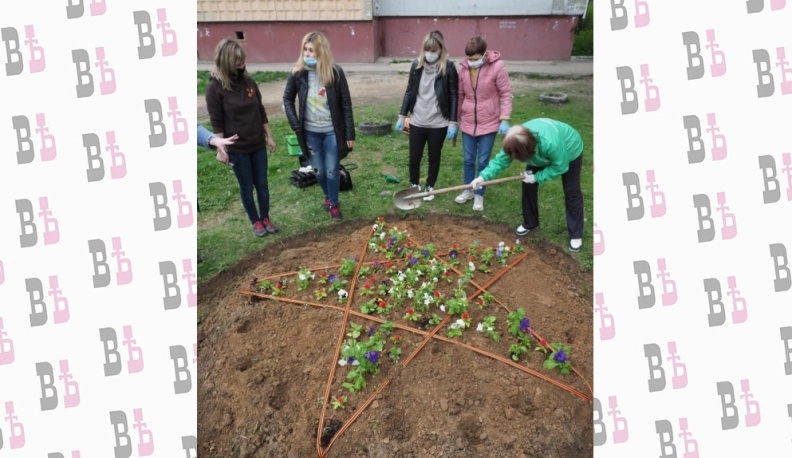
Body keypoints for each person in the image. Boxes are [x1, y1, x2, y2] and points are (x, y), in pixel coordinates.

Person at [471, 118, 585, 252]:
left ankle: (576, 234)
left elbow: (560, 166)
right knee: (528, 184)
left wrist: (537, 177)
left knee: (572, 190)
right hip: (538, 150)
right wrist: (482, 177)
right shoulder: (514, 141)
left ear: (527, 150)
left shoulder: (550, 143)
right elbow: (500, 161)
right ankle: (531, 223)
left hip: (569, 149)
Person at [205, 38, 279, 237]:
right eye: (237, 60)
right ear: (227, 61)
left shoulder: (249, 82)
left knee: (262, 184)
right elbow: (217, 121)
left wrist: (269, 137)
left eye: (243, 59)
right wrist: (221, 149)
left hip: (257, 144)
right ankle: (255, 221)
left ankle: (265, 217)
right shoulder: (215, 87)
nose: (242, 63)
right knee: (246, 186)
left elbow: (261, 110)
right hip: (238, 149)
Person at [283, 31, 355, 222]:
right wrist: (295, 124)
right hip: (310, 133)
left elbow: (346, 104)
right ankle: (328, 195)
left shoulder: (335, 73)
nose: (308, 54)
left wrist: (349, 133)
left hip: (332, 132)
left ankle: (333, 202)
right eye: (305, 50)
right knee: (319, 171)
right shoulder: (297, 74)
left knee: (331, 170)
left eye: (312, 51)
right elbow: (287, 99)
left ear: (321, 52)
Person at [396, 30, 458, 201]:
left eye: (434, 50)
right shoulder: (416, 65)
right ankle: (414, 185)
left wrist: (452, 122)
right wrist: (402, 116)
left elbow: (454, 95)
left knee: (434, 156)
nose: (430, 54)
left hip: (439, 122)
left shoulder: (449, 67)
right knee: (414, 156)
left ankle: (430, 186)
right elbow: (409, 91)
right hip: (417, 120)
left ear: (440, 50)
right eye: (427, 50)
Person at [454, 36, 512, 212]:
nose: (471, 62)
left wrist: (504, 118)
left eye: (475, 58)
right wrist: (455, 120)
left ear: (484, 54)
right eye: (469, 59)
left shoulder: (497, 67)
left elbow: (505, 93)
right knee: (469, 160)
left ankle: (479, 192)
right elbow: (460, 94)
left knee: (483, 161)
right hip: (468, 121)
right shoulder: (463, 68)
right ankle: (468, 189)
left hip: (489, 121)